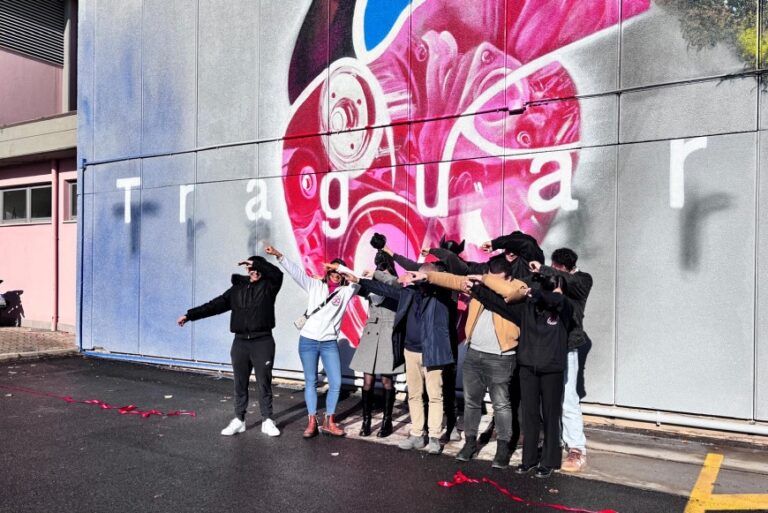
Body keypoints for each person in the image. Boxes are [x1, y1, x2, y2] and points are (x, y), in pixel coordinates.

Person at [407, 256, 528, 469]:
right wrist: (427, 275)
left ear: (507, 276)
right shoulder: (480, 285)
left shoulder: (518, 286)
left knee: (501, 404)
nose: (489, 282)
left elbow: (510, 293)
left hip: (501, 355)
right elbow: (453, 280)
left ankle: (502, 448)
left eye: (495, 278)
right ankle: (470, 443)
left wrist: (485, 280)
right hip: (475, 354)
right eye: (489, 277)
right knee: (472, 402)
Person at [469, 273, 574, 478]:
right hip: (527, 368)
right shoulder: (528, 308)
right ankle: (529, 459)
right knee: (529, 415)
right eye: (554, 289)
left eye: (560, 291)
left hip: (552, 369)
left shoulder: (565, 308)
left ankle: (550, 460)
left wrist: (537, 293)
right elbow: (500, 304)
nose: (557, 295)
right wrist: (476, 289)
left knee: (551, 416)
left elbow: (558, 299)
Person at [343, 263, 455, 455]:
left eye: (423, 276)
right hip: (410, 351)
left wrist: (429, 277)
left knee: (435, 396)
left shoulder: (442, 295)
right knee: (414, 394)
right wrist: (361, 280)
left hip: (433, 352)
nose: (418, 279)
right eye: (417, 275)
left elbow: (452, 281)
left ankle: (434, 437)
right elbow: (385, 288)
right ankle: (417, 435)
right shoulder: (410, 292)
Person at [177, 255, 283, 437]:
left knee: (263, 382)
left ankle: (267, 420)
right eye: (251, 269)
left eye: (257, 269)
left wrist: (258, 263)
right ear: (247, 271)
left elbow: (277, 274)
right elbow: (214, 306)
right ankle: (239, 420)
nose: (254, 272)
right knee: (240, 383)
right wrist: (190, 315)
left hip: (262, 341)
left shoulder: (269, 287)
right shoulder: (237, 289)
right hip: (240, 342)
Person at [264, 243, 360, 438]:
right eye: (332, 270)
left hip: (329, 342)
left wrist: (341, 268)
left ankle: (329, 421)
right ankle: (311, 421)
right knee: (310, 381)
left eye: (338, 272)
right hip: (307, 341)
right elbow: (296, 273)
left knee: (336, 382)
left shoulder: (346, 292)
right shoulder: (315, 285)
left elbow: (358, 280)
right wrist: (279, 255)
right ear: (327, 273)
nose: (335, 274)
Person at [530, 248, 593, 472]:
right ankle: (550, 441)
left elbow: (572, 283)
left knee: (568, 397)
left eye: (557, 267)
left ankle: (576, 447)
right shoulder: (551, 278)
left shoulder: (582, 279)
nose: (554, 270)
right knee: (545, 397)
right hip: (547, 345)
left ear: (565, 267)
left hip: (568, 347)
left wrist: (546, 270)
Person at [345, 239, 402, 437]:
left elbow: (392, 286)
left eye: (384, 266)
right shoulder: (370, 285)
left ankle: (387, 421)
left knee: (387, 382)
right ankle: (366, 421)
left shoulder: (396, 283)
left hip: (387, 335)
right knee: (367, 382)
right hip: (370, 335)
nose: (381, 269)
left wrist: (379, 274)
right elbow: (354, 285)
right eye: (379, 266)